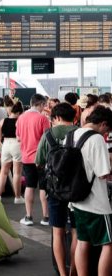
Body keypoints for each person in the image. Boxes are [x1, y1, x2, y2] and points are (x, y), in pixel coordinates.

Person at [35, 103, 78, 276]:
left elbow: (39, 162)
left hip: (55, 189)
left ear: (57, 118)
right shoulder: (81, 133)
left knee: (58, 232)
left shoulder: (48, 135)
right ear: (73, 117)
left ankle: (62, 272)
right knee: (76, 232)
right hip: (77, 189)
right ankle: (75, 270)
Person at [70, 106, 112, 276]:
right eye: (107, 129)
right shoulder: (97, 139)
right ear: (103, 124)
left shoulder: (72, 135)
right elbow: (103, 173)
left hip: (76, 199)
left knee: (82, 241)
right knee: (108, 243)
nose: (106, 134)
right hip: (97, 203)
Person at [16, 94, 50, 226]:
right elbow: (47, 139)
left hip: (26, 157)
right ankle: (46, 217)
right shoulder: (42, 118)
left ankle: (29, 217)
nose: (44, 108)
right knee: (43, 187)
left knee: (29, 186)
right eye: (44, 105)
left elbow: (18, 138)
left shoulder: (21, 118)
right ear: (40, 104)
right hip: (41, 158)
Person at [0, 101, 25, 204]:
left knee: (4, 172)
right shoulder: (20, 121)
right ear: (19, 112)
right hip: (17, 144)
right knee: (17, 172)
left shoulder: (2, 121)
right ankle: (17, 197)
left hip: (5, 145)